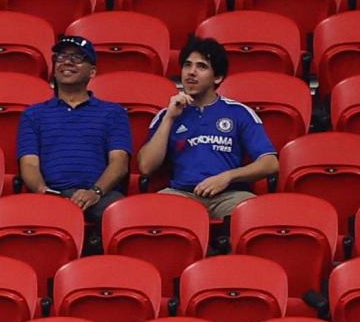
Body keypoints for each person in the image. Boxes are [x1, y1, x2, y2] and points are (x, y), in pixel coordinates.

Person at [137, 36, 279, 219]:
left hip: (229, 195)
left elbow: (270, 164)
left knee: (255, 214)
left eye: (201, 67)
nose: (191, 73)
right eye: (187, 65)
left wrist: (227, 177)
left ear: (218, 77)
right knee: (150, 213)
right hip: (181, 194)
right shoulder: (167, 115)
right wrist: (169, 118)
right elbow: (146, 167)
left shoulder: (239, 113)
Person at [18, 35, 132, 221]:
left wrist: (94, 191)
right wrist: (44, 192)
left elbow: (119, 163)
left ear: (92, 72)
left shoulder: (113, 113)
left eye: (77, 58)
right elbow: (29, 164)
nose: (67, 63)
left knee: (121, 215)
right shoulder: (33, 114)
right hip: (52, 194)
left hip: (100, 196)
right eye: (61, 57)